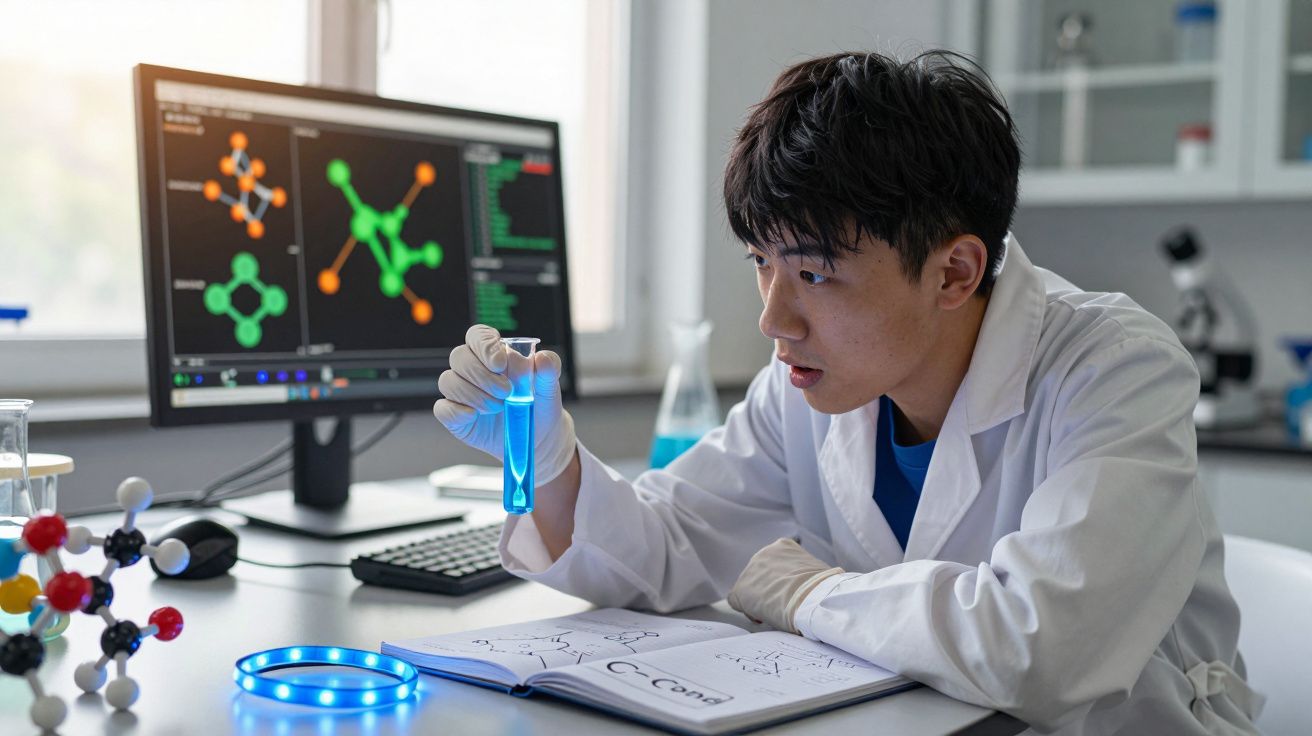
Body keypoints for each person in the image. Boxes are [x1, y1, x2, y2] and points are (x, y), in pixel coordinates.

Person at [432, 50, 1262, 734]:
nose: (773, 317)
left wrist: (813, 594)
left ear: (954, 271)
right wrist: (548, 463)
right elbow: (666, 545)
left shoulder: (1114, 367)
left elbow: (1043, 650)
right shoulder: (810, 384)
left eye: (815, 274)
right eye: (762, 262)